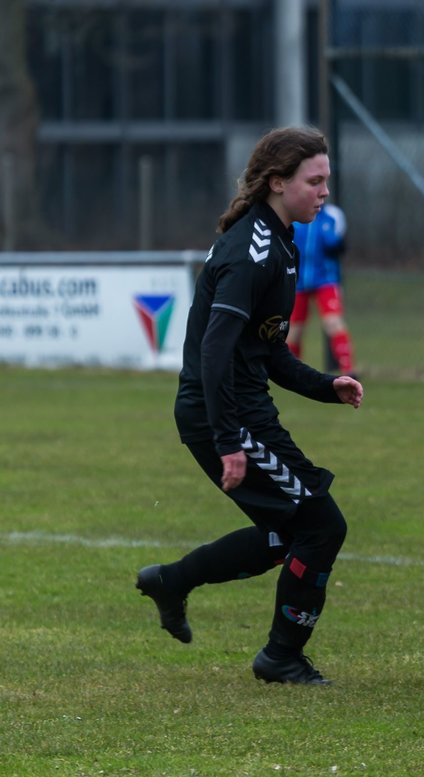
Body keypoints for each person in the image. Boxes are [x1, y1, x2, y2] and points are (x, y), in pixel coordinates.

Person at [135, 126, 364, 685]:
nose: (324, 191)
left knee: (287, 534)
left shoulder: (282, 240)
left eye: (327, 180)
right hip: (227, 414)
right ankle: (280, 657)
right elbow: (215, 348)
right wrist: (230, 440)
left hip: (239, 410)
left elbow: (263, 349)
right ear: (277, 182)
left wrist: (322, 384)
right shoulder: (253, 249)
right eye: (315, 181)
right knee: (321, 525)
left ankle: (172, 580)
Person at [287, 200, 357, 377]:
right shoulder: (294, 215)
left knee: (333, 322)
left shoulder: (332, 215)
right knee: (294, 329)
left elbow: (338, 245)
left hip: (326, 279)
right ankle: (291, 373)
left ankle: (348, 370)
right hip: (298, 281)